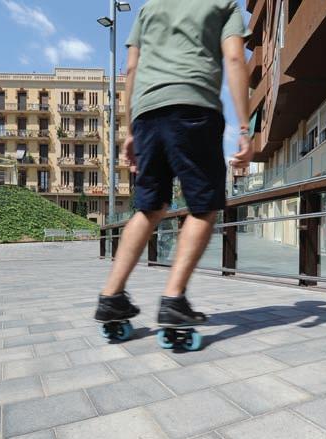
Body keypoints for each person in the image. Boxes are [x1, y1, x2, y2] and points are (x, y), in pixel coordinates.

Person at [94, 0, 253, 328]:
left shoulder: (148, 8)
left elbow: (132, 69)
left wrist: (130, 130)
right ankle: (173, 299)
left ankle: (111, 296)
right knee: (204, 205)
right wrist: (244, 128)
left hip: (147, 115)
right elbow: (235, 58)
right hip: (194, 108)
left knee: (149, 207)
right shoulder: (223, 4)